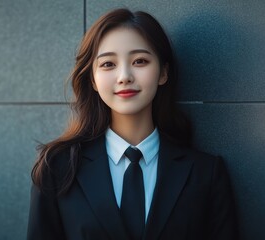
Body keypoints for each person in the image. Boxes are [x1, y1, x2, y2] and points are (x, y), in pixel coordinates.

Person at [27, 8, 238, 240]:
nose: (124, 76)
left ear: (163, 73)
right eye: (108, 64)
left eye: (140, 61)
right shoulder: (57, 169)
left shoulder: (205, 174)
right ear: (93, 80)